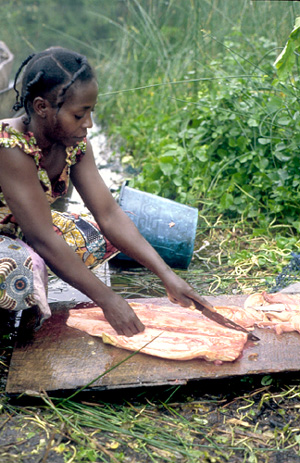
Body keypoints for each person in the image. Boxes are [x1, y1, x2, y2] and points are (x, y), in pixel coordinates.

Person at [0, 46, 201, 336]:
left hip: (22, 229)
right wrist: (108, 299)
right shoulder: (10, 147)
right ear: (42, 107)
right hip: (17, 237)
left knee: (93, 235)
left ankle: (29, 293)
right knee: (21, 265)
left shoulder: (74, 144)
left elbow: (109, 214)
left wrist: (167, 277)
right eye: (79, 115)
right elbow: (41, 238)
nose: (89, 124)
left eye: (91, 112)